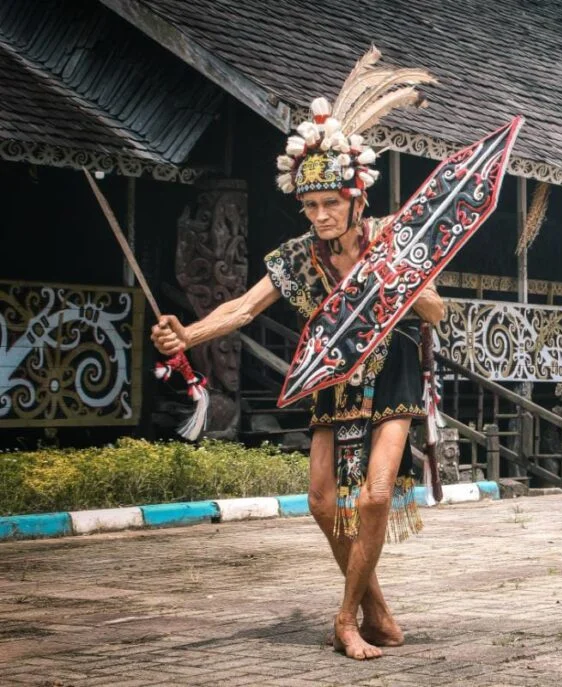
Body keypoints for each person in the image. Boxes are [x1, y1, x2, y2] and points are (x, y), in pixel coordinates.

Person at [152, 48, 444, 658]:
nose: (318, 216)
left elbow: (438, 312)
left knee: (374, 495)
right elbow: (241, 310)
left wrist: (399, 279)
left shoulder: (391, 237)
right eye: (309, 207)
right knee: (319, 500)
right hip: (331, 375)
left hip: (389, 371)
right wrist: (188, 336)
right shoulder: (297, 256)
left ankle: (345, 619)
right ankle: (379, 609)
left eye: (328, 205)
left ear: (355, 198)